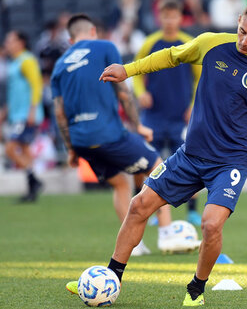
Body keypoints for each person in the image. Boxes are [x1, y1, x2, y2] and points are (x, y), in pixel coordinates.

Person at [67, 2, 247, 306]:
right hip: (191, 154)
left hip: (231, 162)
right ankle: (109, 279)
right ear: (238, 21)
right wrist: (128, 70)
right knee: (139, 205)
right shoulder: (211, 44)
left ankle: (196, 290)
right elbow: (170, 56)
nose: (245, 41)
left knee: (210, 224)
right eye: (242, 32)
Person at [51, 14, 200, 261]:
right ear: (93, 32)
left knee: (121, 182)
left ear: (70, 38)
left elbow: (59, 112)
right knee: (157, 166)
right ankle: (166, 233)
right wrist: (139, 126)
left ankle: (136, 244)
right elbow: (123, 92)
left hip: (81, 140)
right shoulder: (105, 46)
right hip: (107, 133)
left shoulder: (60, 65)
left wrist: (70, 149)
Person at [134, 0, 203, 226]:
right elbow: (135, 72)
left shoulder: (188, 43)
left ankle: (192, 210)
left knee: (189, 165)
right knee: (151, 164)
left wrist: (194, 103)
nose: (170, 21)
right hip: (153, 116)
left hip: (180, 116)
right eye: (166, 16)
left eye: (174, 16)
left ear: (180, 18)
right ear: (159, 18)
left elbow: (200, 78)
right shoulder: (149, 43)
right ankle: (154, 212)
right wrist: (141, 92)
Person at [1, 30, 44, 203]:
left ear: (21, 42)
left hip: (25, 114)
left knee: (10, 148)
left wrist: (32, 110)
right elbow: (15, 91)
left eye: (10, 40)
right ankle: (31, 188)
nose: (7, 44)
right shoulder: (14, 62)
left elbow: (36, 85)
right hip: (17, 113)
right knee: (25, 149)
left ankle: (34, 180)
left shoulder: (27, 60)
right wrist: (5, 112)